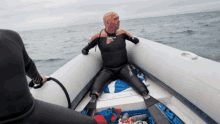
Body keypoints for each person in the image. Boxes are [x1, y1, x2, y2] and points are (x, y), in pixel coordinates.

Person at [0, 29, 97, 124]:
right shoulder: (10, 36)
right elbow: (30, 67)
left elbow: (29, 67)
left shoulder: (12, 36)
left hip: (30, 110)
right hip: (29, 111)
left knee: (91, 122)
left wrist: (39, 80)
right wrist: (38, 80)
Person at [82, 12, 149, 110]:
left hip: (124, 67)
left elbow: (135, 40)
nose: (119, 21)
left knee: (139, 85)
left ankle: (145, 94)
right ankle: (93, 99)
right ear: (110, 21)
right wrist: (85, 51)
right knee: (95, 89)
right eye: (117, 19)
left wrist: (133, 38)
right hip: (108, 69)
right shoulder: (98, 36)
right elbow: (86, 49)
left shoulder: (122, 33)